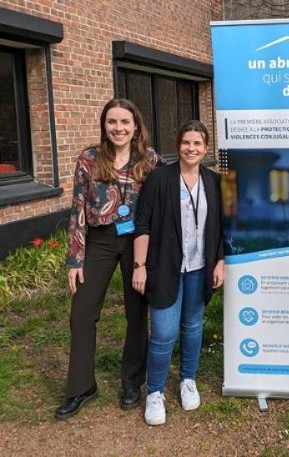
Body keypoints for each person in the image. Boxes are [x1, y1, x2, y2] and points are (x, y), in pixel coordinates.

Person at [56, 99, 163, 420]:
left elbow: (163, 200)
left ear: (136, 126)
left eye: (125, 122)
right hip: (99, 241)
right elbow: (77, 209)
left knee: (136, 312)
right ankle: (81, 386)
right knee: (81, 313)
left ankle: (132, 382)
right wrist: (75, 259)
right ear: (104, 126)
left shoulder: (150, 159)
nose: (119, 128)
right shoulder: (89, 159)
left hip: (137, 242)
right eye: (112, 122)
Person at [132, 120, 224, 426]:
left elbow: (223, 227)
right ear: (178, 145)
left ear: (206, 148)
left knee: (193, 326)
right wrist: (139, 266)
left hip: (200, 268)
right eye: (186, 142)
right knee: (163, 333)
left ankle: (188, 379)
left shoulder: (214, 182)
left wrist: (221, 261)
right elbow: (143, 223)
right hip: (164, 267)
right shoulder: (159, 179)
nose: (191, 148)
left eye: (197, 143)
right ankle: (155, 392)